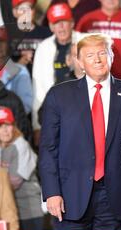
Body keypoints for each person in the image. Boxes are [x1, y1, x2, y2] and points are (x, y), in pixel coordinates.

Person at [39, 34, 121, 230]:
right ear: (79, 62)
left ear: (112, 57)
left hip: (116, 197)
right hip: (69, 197)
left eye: (102, 53)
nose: (97, 59)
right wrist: (52, 192)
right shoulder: (59, 96)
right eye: (90, 55)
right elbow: (48, 148)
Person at [32, 3, 81, 146]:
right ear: (51, 27)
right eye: (56, 23)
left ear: (72, 23)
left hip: (82, 110)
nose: (61, 27)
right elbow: (38, 88)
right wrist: (36, 125)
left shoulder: (86, 41)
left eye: (64, 22)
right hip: (55, 113)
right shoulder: (43, 47)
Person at [0, 107, 43, 230]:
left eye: (8, 125)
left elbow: (14, 182)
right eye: (0, 126)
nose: (5, 130)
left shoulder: (21, 145)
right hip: (8, 211)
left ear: (14, 126)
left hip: (28, 210)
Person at [10, 0, 52, 74]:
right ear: (15, 12)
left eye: (29, 8)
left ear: (34, 11)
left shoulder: (47, 33)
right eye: (22, 9)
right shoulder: (6, 35)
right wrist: (18, 64)